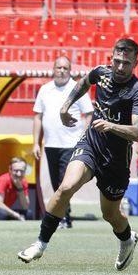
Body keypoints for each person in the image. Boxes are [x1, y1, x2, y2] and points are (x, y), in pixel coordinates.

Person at [18, 38, 138, 271]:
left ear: (136, 63)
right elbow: (83, 83)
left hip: (116, 160)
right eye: (117, 61)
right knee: (65, 187)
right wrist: (65, 106)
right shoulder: (102, 73)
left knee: (110, 215)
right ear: (111, 58)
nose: (120, 67)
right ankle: (40, 243)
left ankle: (127, 239)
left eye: (126, 63)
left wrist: (112, 126)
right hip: (90, 145)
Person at [33, 56, 92, 229]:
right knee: (55, 183)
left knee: (63, 183)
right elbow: (38, 116)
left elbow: (88, 113)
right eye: (59, 68)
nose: (62, 71)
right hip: (51, 143)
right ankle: (63, 216)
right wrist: (36, 143)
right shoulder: (45, 89)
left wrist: (84, 136)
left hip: (70, 143)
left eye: (65, 68)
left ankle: (63, 218)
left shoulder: (77, 87)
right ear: (53, 69)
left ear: (70, 70)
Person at [0, 156, 39, 222]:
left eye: (21, 171)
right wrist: (15, 214)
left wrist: (20, 188)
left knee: (29, 213)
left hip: (6, 210)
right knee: (2, 213)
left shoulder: (23, 181)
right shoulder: (3, 179)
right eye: (16, 171)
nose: (19, 174)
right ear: (10, 170)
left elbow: (25, 206)